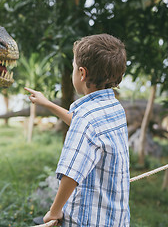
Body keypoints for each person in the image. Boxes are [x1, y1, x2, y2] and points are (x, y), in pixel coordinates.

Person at [25, 34, 130, 226]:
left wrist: (54, 211)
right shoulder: (114, 108)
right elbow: (87, 128)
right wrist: (47, 103)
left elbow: (70, 174)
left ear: (82, 73)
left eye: (73, 68)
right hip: (115, 218)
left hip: (88, 219)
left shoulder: (86, 120)